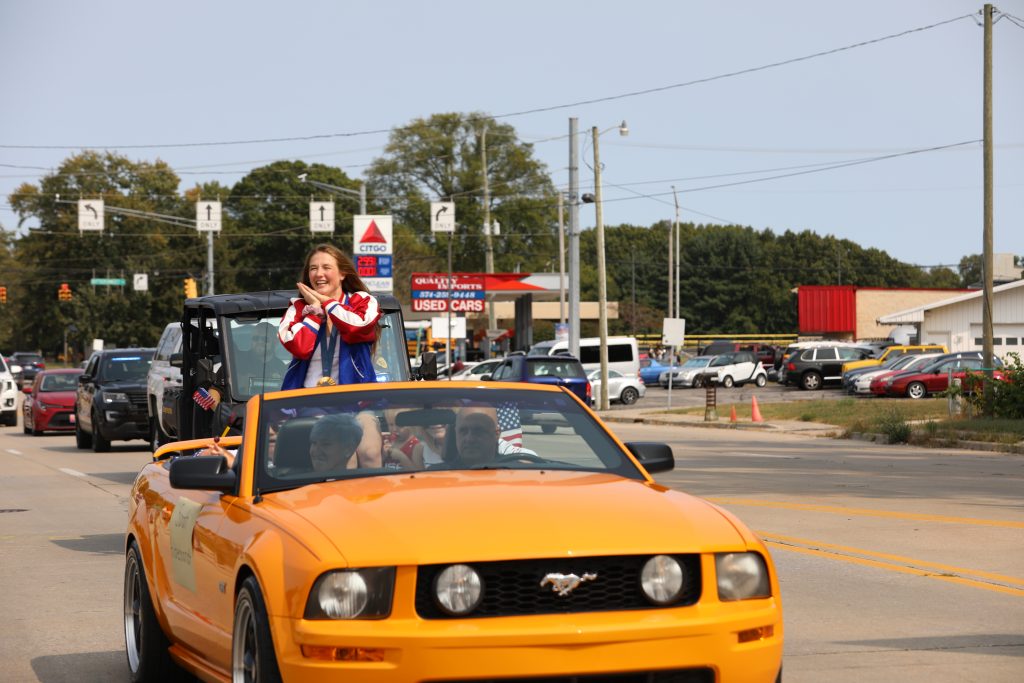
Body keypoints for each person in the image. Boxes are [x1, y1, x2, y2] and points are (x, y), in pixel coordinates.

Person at [278, 244, 381, 389]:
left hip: (355, 402)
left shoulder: (362, 301)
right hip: (304, 404)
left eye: (326, 267)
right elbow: (299, 347)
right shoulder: (298, 308)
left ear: (342, 274)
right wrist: (314, 310)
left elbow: (357, 326)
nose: (319, 274)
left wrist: (326, 302)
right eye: (313, 268)